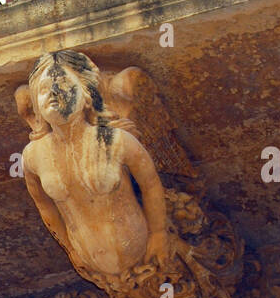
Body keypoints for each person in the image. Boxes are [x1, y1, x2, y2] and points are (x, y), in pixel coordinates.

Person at [17, 50, 170, 279]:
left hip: (144, 251)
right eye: (43, 88)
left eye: (64, 84)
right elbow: (44, 205)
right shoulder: (32, 157)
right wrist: (70, 249)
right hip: (91, 262)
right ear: (37, 107)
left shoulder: (116, 141)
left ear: (88, 95)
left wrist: (158, 233)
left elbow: (150, 184)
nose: (54, 92)